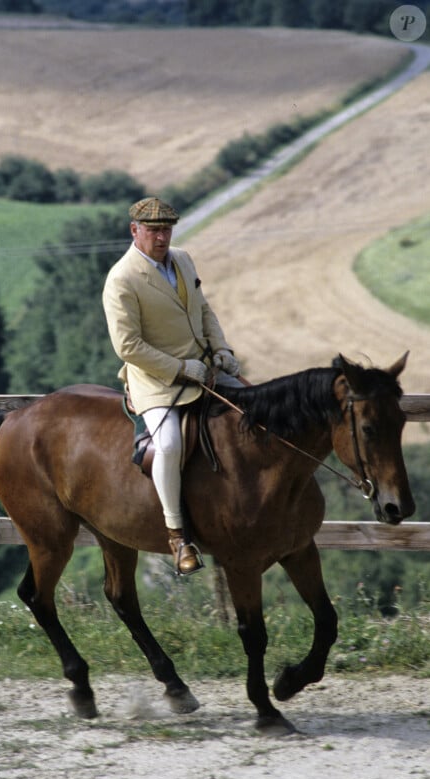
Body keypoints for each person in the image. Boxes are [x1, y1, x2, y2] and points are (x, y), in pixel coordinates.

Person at [102, 196, 244, 575]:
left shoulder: (182, 259)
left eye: (166, 229)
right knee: (168, 444)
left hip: (205, 367)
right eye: (153, 230)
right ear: (135, 231)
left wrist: (223, 349)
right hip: (156, 380)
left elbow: (204, 308)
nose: (161, 237)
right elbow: (127, 346)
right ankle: (178, 535)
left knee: (254, 410)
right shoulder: (121, 279)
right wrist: (181, 368)